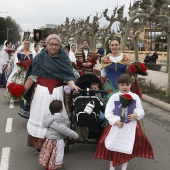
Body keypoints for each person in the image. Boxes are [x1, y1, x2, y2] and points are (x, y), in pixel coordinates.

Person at [23, 34, 79, 151]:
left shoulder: (64, 59)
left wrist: (73, 86)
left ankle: (57, 146)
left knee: (57, 119)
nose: (53, 47)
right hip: (41, 94)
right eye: (51, 44)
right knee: (40, 116)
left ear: (60, 46)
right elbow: (32, 77)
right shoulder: (39, 58)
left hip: (57, 93)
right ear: (46, 45)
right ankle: (40, 146)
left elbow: (68, 76)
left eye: (56, 45)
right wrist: (22, 90)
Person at [95, 74, 154, 170]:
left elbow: (141, 111)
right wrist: (115, 121)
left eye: (127, 84)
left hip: (130, 126)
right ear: (118, 85)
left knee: (126, 146)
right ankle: (112, 166)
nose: (125, 87)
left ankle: (124, 167)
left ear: (131, 85)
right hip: (116, 126)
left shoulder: (135, 97)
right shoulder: (114, 97)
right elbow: (108, 112)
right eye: (122, 85)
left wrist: (136, 115)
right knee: (113, 145)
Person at [39, 99, 78, 170]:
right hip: (56, 140)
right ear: (61, 109)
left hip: (49, 139)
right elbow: (65, 130)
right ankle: (52, 167)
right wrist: (75, 135)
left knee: (48, 152)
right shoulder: (58, 120)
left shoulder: (48, 117)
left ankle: (47, 164)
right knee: (55, 154)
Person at [100, 38, 130, 107]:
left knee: (122, 105)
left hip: (123, 86)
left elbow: (129, 73)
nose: (114, 47)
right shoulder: (106, 59)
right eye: (112, 45)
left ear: (119, 46)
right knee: (109, 105)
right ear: (110, 47)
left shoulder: (125, 58)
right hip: (109, 85)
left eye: (116, 45)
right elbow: (103, 74)